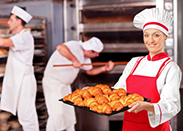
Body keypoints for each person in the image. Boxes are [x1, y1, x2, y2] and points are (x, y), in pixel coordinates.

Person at [113, 8, 182, 131]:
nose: (150, 40)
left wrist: (146, 106)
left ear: (165, 36)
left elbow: (172, 105)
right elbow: (118, 92)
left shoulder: (170, 68)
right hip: (130, 126)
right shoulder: (134, 62)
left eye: (156, 35)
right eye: (146, 35)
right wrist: (92, 95)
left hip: (156, 128)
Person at [42, 37, 115, 131]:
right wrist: (74, 60)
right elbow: (60, 47)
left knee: (69, 116)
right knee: (56, 114)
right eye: (96, 53)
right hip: (53, 83)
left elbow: (90, 71)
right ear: (90, 50)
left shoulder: (85, 58)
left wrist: (104, 68)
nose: (97, 55)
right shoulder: (75, 46)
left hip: (65, 86)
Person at [0, 6, 39, 131]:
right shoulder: (20, 36)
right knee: (24, 117)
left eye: (11, 20)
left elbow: (3, 43)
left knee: (27, 117)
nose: (8, 23)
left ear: (19, 21)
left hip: (25, 82)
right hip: (21, 80)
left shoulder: (24, 37)